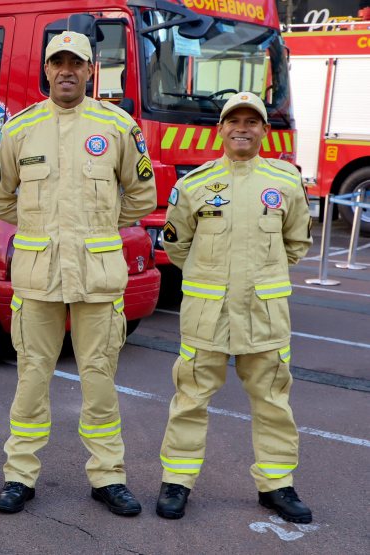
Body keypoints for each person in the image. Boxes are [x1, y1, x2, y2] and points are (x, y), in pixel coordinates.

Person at [0, 32, 156, 515]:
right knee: (31, 378)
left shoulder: (118, 126)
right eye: (57, 62)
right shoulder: (20, 129)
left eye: (75, 63)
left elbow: (142, 196)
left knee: (99, 379)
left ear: (90, 69)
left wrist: (94, 229)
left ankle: (108, 477)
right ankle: (19, 476)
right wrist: (47, 230)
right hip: (39, 275)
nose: (65, 70)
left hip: (97, 275)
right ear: (45, 70)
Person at [156, 93, 313, 523]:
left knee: (273, 402)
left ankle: (277, 486)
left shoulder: (284, 181)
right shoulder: (194, 184)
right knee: (189, 399)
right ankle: (177, 483)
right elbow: (176, 245)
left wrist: (262, 274)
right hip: (208, 313)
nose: (242, 128)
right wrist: (211, 278)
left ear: (264, 130)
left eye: (252, 121)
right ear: (220, 129)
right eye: (234, 121)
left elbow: (296, 244)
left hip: (264, 315)